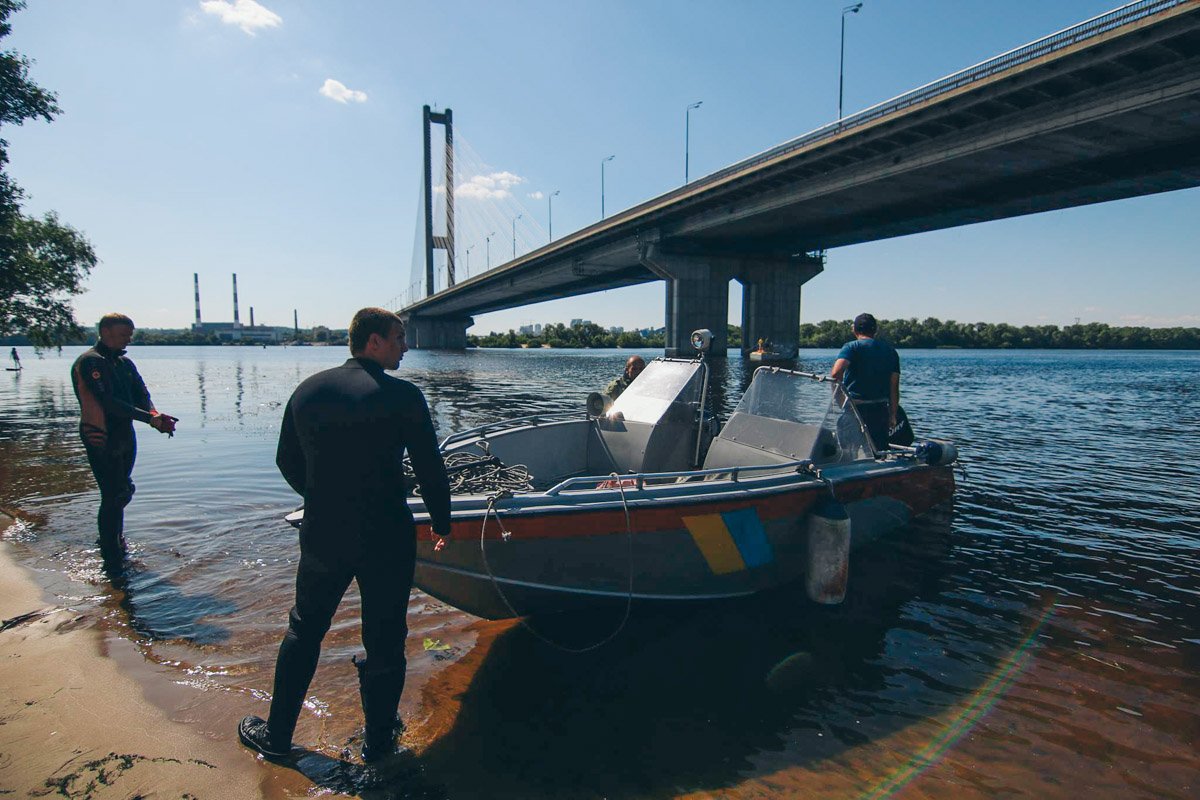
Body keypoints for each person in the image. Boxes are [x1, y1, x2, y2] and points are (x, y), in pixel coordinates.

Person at [238, 307, 452, 764]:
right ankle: (378, 745)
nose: (405, 346)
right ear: (373, 342)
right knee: (386, 638)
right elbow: (432, 470)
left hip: (325, 530)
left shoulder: (308, 390)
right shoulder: (404, 396)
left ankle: (276, 737)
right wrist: (442, 522)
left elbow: (286, 461)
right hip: (386, 533)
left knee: (305, 628)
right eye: (398, 338)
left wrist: (321, 497)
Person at [70, 313, 177, 558]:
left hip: (124, 434)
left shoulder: (124, 364)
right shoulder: (90, 362)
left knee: (123, 490)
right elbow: (108, 402)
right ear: (105, 332)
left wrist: (155, 415)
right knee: (114, 492)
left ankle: (115, 540)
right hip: (100, 435)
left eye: (130, 335)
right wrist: (149, 418)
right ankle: (110, 550)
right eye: (123, 335)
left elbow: (141, 393)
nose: (128, 340)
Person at [829, 313, 899, 452]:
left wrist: (840, 400)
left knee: (848, 454)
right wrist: (892, 414)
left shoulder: (851, 347)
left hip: (855, 410)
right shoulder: (890, 351)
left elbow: (836, 373)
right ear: (875, 330)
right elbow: (894, 386)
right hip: (880, 411)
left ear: (854, 329)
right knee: (877, 454)